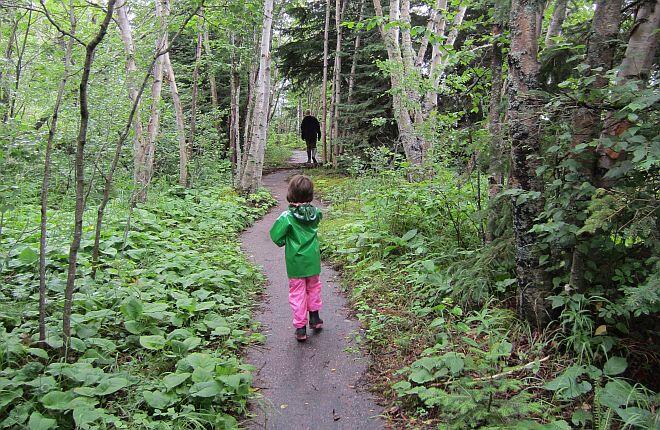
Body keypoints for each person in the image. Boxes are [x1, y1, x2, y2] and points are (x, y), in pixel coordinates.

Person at [269, 175, 324, 342]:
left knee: (297, 293)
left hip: (295, 263)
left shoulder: (287, 217)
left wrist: (285, 240)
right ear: (310, 194)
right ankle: (315, 318)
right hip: (313, 259)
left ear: (291, 193)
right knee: (314, 287)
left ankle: (301, 328)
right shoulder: (316, 213)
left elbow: (275, 236)